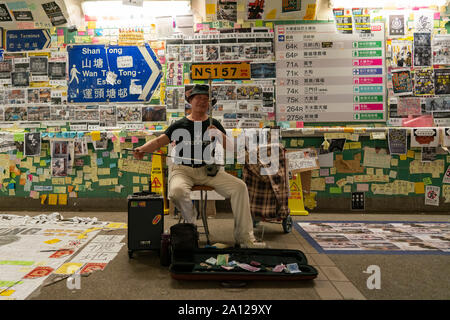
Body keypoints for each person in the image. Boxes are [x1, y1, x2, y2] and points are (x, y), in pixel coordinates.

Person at [133, 84, 265, 248]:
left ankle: (245, 239)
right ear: (190, 101)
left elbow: (231, 148)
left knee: (240, 187)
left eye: (205, 99)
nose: (202, 102)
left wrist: (219, 134)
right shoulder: (179, 124)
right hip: (182, 171)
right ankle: (191, 226)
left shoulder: (213, 123)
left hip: (208, 171)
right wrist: (142, 150)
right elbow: (160, 141)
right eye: (198, 98)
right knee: (176, 192)